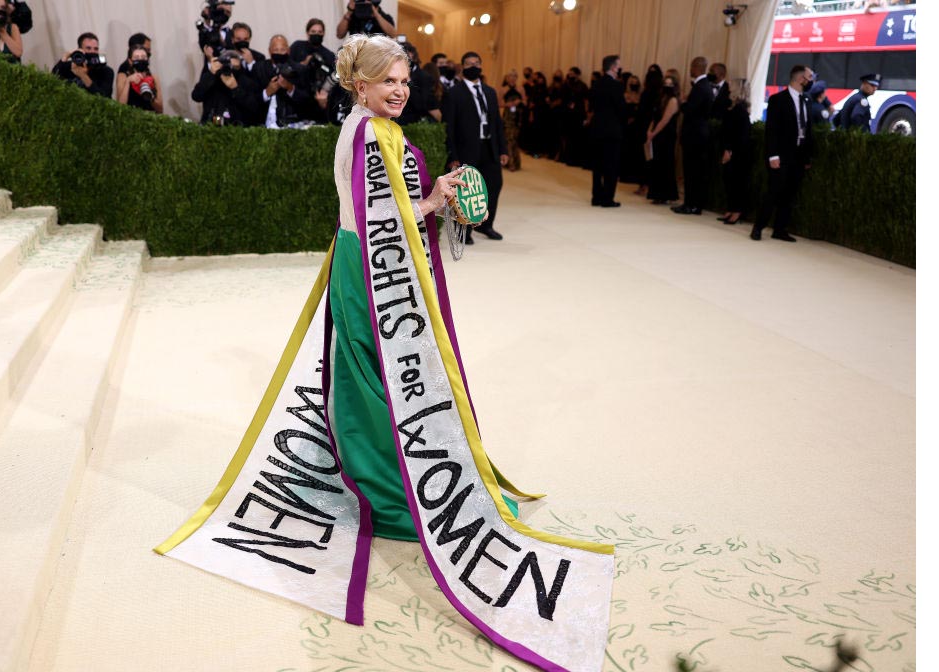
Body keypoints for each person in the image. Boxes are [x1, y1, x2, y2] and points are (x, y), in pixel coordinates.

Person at [156, 36, 617, 668]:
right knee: (383, 377)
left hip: (360, 261)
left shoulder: (371, 129)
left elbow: (382, 211)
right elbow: (386, 219)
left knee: (371, 371)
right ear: (360, 85)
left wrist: (431, 196)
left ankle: (383, 476)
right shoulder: (374, 135)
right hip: (371, 267)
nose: (400, 90)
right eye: (387, 81)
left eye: (405, 80)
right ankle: (394, 491)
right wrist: (434, 201)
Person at [442, 51, 509, 243]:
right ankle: (465, 231)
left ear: (481, 65)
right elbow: (449, 127)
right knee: (466, 191)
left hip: (489, 147)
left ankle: (487, 225)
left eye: (476, 63)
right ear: (462, 68)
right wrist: (452, 155)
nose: (473, 66)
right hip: (466, 150)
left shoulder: (490, 92)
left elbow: (497, 123)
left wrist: (503, 149)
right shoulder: (454, 93)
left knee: (494, 185)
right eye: (469, 63)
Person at [752, 65, 815, 243]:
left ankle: (780, 229)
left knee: (790, 194)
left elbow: (808, 130)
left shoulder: (807, 100)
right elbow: (771, 130)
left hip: (799, 155)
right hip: (781, 154)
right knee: (773, 191)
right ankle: (758, 227)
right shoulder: (778, 100)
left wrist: (807, 156)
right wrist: (773, 155)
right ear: (801, 78)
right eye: (810, 77)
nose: (811, 81)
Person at [673, 56, 714, 215]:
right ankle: (693, 204)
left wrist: (682, 102)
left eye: (691, 67)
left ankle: (691, 205)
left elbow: (690, 109)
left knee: (692, 172)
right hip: (698, 134)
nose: (690, 70)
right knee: (695, 172)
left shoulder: (700, 87)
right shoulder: (704, 86)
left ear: (697, 67)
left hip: (694, 135)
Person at [588, 55, 626, 208]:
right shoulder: (616, 86)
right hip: (612, 130)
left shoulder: (596, 84)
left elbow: (592, 105)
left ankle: (596, 197)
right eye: (618, 66)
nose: (619, 69)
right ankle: (607, 198)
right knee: (611, 166)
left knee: (597, 166)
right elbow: (621, 109)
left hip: (597, 128)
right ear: (612, 67)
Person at [253, 35, 311, 128]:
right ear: (269, 51)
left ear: (288, 51)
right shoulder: (259, 68)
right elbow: (250, 99)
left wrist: (290, 88)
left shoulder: (299, 70)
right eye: (276, 50)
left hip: (292, 124)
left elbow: (308, 100)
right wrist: (267, 92)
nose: (279, 53)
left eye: (282, 50)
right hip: (262, 124)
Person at [192, 48, 259, 126]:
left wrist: (235, 88)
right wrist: (211, 74)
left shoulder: (247, 82)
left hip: (237, 128)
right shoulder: (213, 79)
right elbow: (196, 96)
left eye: (235, 67)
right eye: (228, 66)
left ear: (240, 66)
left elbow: (254, 107)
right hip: (213, 125)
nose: (231, 70)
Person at [717, 84, 753, 225]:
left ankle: (737, 211)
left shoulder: (740, 111)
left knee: (737, 182)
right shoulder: (732, 109)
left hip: (738, 153)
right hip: (732, 150)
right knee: (729, 181)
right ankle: (731, 208)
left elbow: (739, 134)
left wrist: (729, 150)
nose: (729, 91)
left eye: (732, 90)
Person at [646, 71, 681, 205]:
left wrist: (653, 133)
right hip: (657, 133)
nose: (667, 86)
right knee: (657, 164)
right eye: (665, 84)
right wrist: (649, 131)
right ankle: (657, 193)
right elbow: (655, 118)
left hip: (666, 135)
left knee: (665, 164)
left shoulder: (673, 100)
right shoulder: (661, 98)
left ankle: (665, 194)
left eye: (670, 84)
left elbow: (665, 120)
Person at [52, 32, 114, 98]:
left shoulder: (106, 71)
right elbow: (52, 81)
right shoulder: (68, 66)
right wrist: (64, 58)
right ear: (80, 49)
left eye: (96, 49)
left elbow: (104, 98)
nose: (92, 52)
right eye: (88, 48)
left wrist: (83, 76)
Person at [633, 64, 663, 196]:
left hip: (646, 127)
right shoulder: (660, 93)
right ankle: (646, 185)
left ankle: (644, 185)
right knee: (648, 157)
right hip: (651, 127)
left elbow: (642, 111)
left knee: (645, 158)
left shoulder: (649, 93)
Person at [395, 42, 439, 125]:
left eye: (405, 54)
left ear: (413, 56)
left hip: (412, 126)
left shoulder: (424, 77)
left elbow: (422, 105)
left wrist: (408, 81)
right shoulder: (391, 74)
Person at [117, 45, 164, 114]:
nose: (140, 59)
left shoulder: (154, 78)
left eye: (143, 57)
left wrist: (149, 94)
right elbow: (120, 107)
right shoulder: (123, 76)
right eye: (136, 57)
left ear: (147, 59)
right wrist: (128, 82)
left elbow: (160, 110)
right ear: (130, 61)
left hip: (150, 118)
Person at [619, 72, 644, 184]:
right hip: (626, 125)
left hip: (638, 126)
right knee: (626, 149)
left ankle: (635, 176)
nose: (634, 84)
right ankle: (624, 175)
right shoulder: (624, 95)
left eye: (636, 83)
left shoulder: (641, 96)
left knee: (636, 150)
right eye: (632, 83)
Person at [501, 89, 524, 172]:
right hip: (507, 120)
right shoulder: (504, 89)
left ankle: (513, 163)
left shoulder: (520, 88)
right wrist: (509, 104)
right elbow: (499, 104)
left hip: (514, 121)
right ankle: (511, 163)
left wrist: (517, 102)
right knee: (509, 142)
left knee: (511, 142)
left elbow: (524, 102)